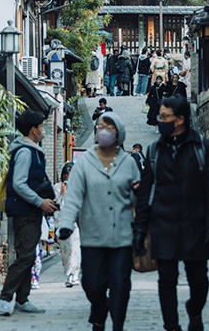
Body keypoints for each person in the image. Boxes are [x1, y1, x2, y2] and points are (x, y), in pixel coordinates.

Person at [133, 94, 209, 331]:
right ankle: (171, 326)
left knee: (199, 281)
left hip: (196, 225)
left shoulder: (202, 147)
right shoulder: (154, 151)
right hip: (164, 225)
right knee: (166, 281)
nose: (159, 120)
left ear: (180, 119)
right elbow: (145, 194)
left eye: (164, 117)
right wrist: (140, 229)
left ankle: (194, 309)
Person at [58, 112, 140, 331]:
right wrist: (65, 224)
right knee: (92, 284)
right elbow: (73, 196)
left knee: (121, 285)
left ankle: (118, 326)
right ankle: (100, 308)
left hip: (122, 236)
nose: (103, 131)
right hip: (92, 235)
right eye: (100, 127)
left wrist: (137, 193)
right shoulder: (84, 163)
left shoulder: (129, 162)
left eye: (109, 127)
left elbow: (137, 199)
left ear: (119, 133)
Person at [0, 110, 58, 317]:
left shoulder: (32, 150)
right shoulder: (25, 152)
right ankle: (5, 299)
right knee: (26, 256)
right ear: (33, 130)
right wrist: (40, 202)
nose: (44, 130)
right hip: (25, 211)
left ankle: (22, 299)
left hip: (29, 211)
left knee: (28, 256)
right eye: (41, 127)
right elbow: (20, 184)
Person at [54, 161, 81, 287]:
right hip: (61, 224)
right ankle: (68, 275)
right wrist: (62, 194)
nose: (67, 179)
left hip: (75, 224)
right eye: (66, 176)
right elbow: (55, 206)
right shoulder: (57, 188)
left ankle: (74, 275)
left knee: (75, 250)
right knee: (65, 252)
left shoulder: (78, 187)